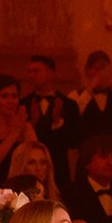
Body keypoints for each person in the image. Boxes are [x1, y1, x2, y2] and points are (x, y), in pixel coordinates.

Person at [20, 54, 76, 183]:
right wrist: (32, 124)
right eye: (29, 71)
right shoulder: (23, 104)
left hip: (59, 169)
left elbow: (74, 141)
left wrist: (58, 122)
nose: (31, 75)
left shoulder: (69, 105)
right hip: (30, 169)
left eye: (36, 71)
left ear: (51, 73)